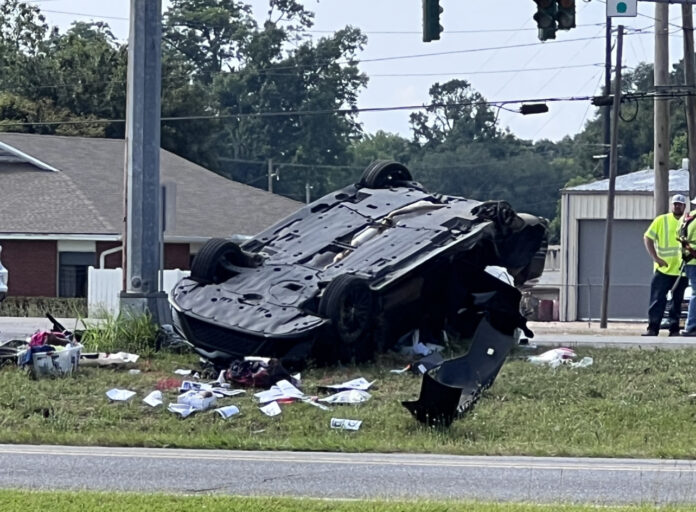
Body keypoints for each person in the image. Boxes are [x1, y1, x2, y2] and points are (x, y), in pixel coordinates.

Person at [642, 194, 688, 336]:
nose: (677, 206)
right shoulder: (661, 220)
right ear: (671, 205)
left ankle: (674, 329)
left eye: (680, 204)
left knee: (677, 302)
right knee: (657, 300)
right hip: (663, 269)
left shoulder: (688, 221)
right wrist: (656, 257)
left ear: (684, 206)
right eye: (675, 204)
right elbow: (648, 237)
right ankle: (653, 328)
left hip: (681, 271)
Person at [679, 197, 696, 335]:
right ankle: (691, 327)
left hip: (689, 261)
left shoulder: (686, 219)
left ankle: (691, 326)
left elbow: (677, 237)